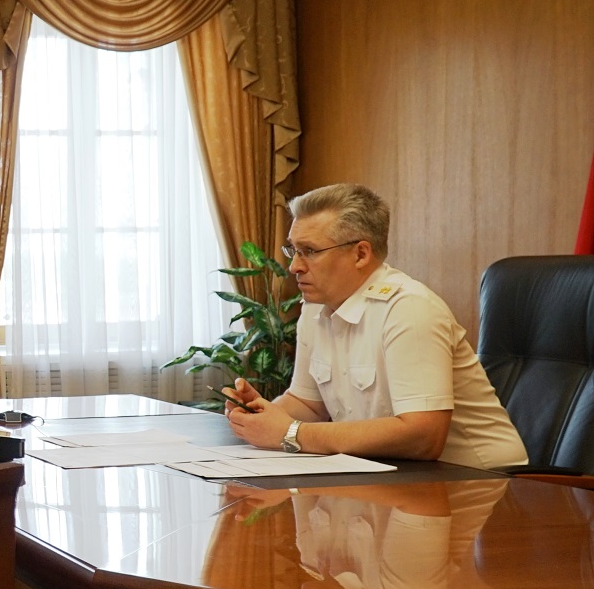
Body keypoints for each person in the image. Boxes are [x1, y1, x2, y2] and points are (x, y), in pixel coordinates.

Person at [224, 183, 527, 470]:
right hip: (394, 476)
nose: (294, 266)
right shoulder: (316, 308)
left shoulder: (408, 308)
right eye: (293, 250)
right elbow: (309, 404)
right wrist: (261, 415)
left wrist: (292, 433)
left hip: (485, 485)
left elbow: (423, 437)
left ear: (360, 254)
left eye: (310, 251)